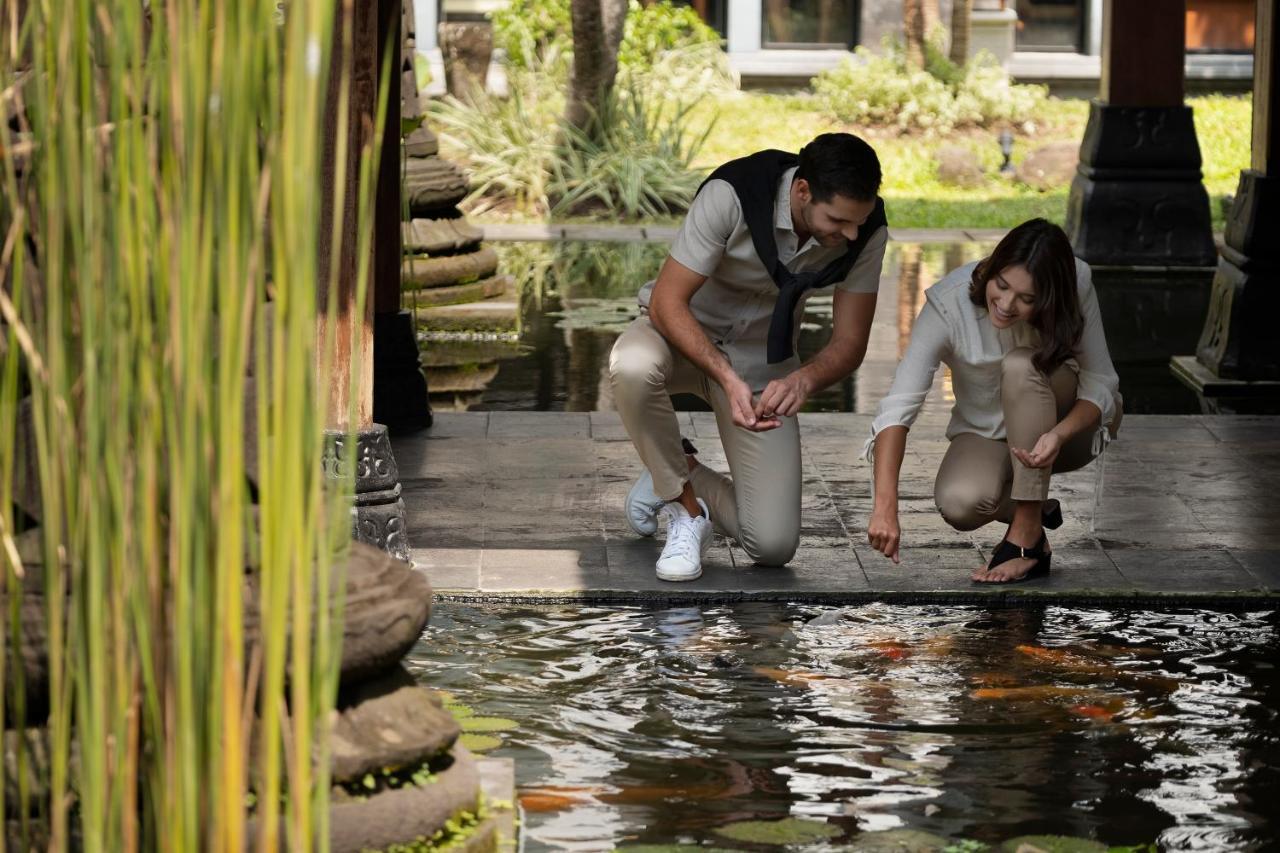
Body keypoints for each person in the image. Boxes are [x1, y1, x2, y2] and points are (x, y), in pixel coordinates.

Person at [609, 133, 889, 582]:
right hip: (679, 338)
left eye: (858, 221)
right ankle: (685, 509)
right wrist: (723, 375)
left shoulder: (867, 231)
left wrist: (804, 380)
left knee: (773, 546)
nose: (850, 234)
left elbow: (851, 342)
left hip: (762, 362)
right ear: (802, 192)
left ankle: (682, 469)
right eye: (838, 220)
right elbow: (667, 303)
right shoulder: (732, 195)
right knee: (633, 366)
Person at [865, 218, 1121, 583]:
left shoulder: (1075, 282)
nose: (1005, 304)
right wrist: (885, 507)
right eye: (1001, 285)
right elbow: (899, 405)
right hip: (989, 431)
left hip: (1069, 427)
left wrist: (1059, 435)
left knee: (1020, 365)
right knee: (959, 502)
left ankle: (1026, 536)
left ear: (1049, 297)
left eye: (1027, 299)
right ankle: (1030, 516)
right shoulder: (948, 305)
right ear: (991, 268)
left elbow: (1101, 381)